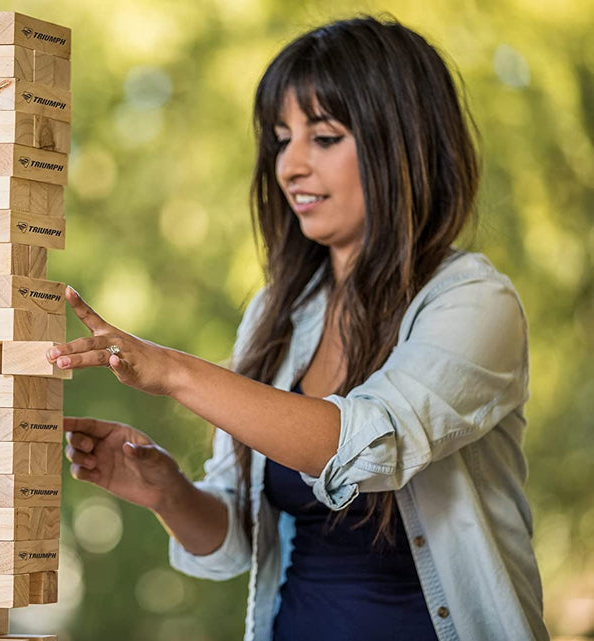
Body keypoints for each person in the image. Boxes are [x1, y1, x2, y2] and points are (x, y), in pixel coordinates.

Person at [47, 15, 549, 641]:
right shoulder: (275, 313)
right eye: (282, 139)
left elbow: (366, 446)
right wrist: (167, 493)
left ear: (406, 142)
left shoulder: (474, 301)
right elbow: (236, 541)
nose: (290, 166)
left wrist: (173, 371)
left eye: (325, 137)